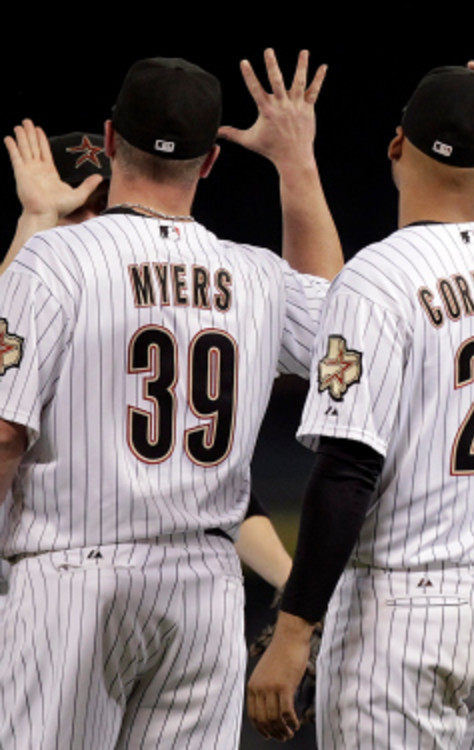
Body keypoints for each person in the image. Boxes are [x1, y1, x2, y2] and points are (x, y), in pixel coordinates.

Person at [0, 49, 340, 748]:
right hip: (204, 586)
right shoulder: (254, 276)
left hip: (75, 578)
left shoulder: (56, 259)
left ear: (112, 137)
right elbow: (341, 329)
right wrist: (296, 164)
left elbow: (5, 434)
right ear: (210, 160)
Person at [246, 21, 474, 749]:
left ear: (396, 146)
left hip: (405, 609)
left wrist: (294, 632)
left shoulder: (377, 278)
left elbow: (349, 469)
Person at [2, 122, 308, 594]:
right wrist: (37, 221)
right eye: (71, 208)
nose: (90, 223)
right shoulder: (31, 289)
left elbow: (205, 494)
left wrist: (291, 584)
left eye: (102, 207)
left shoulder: (141, 325)